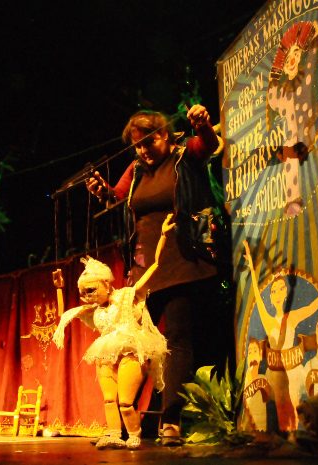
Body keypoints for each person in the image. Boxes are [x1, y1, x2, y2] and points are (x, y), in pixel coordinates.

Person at [85, 105, 228, 445]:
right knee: (133, 342)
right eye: (137, 145)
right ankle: (125, 425)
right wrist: (103, 191)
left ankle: (171, 421)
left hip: (183, 261)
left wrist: (203, 125)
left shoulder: (183, 155)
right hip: (144, 270)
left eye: (148, 142)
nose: (143, 151)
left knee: (177, 340)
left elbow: (208, 145)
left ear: (163, 134)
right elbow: (118, 196)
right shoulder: (136, 169)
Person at [51, 214, 173, 450]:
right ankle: (114, 434)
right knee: (109, 399)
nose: (87, 296)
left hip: (130, 349)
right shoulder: (93, 311)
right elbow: (64, 315)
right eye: (83, 293)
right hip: (106, 353)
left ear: (106, 284)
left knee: (125, 402)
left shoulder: (128, 296)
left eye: (91, 290)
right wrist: (59, 289)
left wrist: (164, 236)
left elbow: (155, 267)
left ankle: (134, 434)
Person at [242, 239, 318, 432]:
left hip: (293, 373)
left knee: (295, 412)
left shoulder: (292, 317)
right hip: (276, 374)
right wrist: (252, 269)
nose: (278, 293)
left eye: (281, 289)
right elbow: (256, 294)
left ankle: (301, 438)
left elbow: (311, 308)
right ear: (271, 298)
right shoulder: (268, 320)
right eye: (274, 291)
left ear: (286, 293)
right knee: (280, 414)